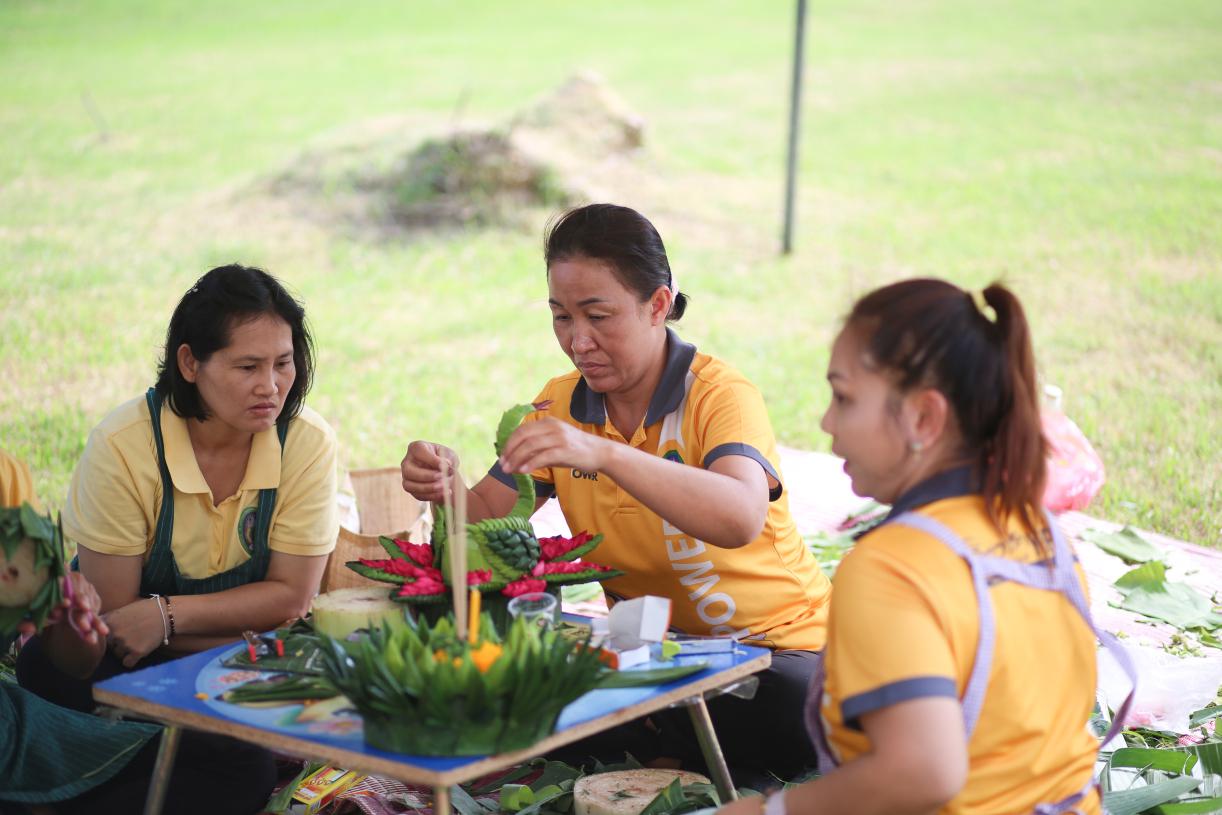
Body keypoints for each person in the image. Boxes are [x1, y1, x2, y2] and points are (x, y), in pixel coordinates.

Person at [401, 204, 831, 780]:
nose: (578, 341)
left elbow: (740, 517)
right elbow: (483, 525)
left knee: (782, 709)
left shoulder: (719, 396)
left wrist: (604, 453)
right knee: (510, 685)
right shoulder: (555, 406)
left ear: (658, 304)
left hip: (778, 651)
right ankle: (666, 741)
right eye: (561, 317)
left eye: (598, 315)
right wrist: (444, 485)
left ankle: (661, 743)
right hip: (650, 656)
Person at [718, 280, 1131, 815]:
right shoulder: (1039, 528)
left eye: (843, 397)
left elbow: (922, 772)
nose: (825, 422)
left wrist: (767, 810)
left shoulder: (891, 566)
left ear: (924, 419)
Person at [16, 264, 340, 814]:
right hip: (106, 659)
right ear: (190, 363)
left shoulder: (306, 443)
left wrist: (165, 616)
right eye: (247, 366)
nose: (271, 386)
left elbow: (290, 596)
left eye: (283, 363)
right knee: (237, 764)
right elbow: (117, 626)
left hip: (227, 655)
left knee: (237, 761)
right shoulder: (125, 445)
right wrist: (246, 634)